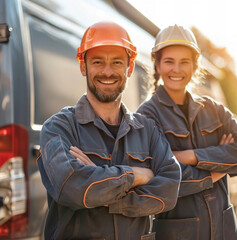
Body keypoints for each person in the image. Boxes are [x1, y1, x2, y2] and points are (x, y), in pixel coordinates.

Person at [37, 22, 181, 240]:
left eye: (116, 62)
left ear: (129, 68)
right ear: (83, 66)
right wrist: (135, 175)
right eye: (97, 62)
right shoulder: (58, 128)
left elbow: (169, 191)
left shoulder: (148, 130)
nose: (107, 71)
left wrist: (101, 188)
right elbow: (71, 186)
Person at [137, 24, 237, 240]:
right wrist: (217, 170)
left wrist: (191, 156)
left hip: (224, 230)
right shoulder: (146, 116)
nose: (177, 69)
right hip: (178, 233)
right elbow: (161, 179)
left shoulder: (214, 109)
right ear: (157, 64)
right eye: (169, 61)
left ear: (194, 66)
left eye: (184, 62)